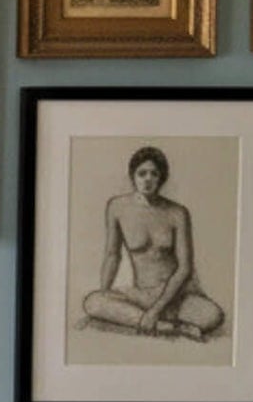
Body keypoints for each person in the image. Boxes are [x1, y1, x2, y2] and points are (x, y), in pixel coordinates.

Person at [81, 146, 224, 341]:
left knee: (213, 315)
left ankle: (152, 320)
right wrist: (105, 292)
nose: (147, 179)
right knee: (93, 302)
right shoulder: (117, 207)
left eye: (154, 174)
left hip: (174, 296)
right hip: (140, 295)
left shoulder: (178, 213)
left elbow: (185, 268)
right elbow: (112, 255)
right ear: (133, 176)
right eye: (142, 173)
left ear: (161, 179)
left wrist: (157, 309)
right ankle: (168, 327)